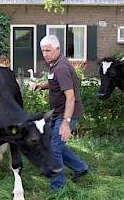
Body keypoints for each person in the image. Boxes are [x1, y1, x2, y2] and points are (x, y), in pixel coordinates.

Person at [31, 35, 89, 190]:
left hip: (67, 113)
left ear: (57, 49)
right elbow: (54, 82)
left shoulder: (62, 67)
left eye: (48, 50)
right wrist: (41, 86)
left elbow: (70, 97)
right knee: (56, 144)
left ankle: (58, 187)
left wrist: (66, 122)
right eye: (43, 51)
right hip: (58, 112)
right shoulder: (55, 64)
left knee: (54, 148)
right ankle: (80, 168)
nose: (45, 54)